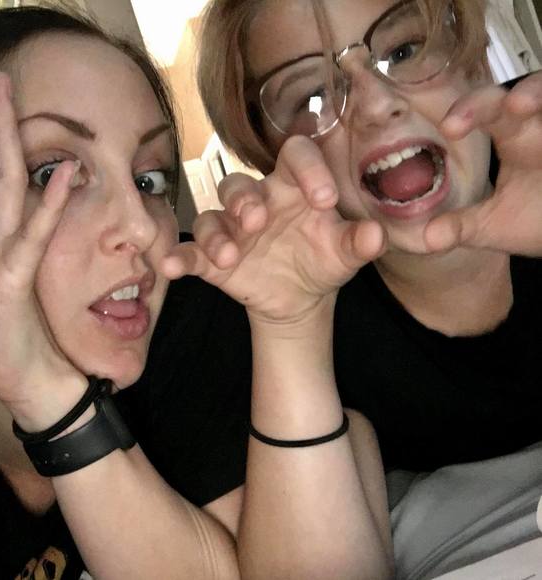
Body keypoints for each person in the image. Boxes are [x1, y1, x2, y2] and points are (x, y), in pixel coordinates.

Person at [0, 5, 393, 579]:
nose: (143, 228)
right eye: (51, 174)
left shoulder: (185, 318)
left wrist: (52, 404)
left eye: (149, 180)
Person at [193, 0, 542, 575]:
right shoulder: (300, 320)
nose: (377, 105)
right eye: (312, 96)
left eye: (403, 51)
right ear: (276, 160)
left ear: (475, 58)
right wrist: (289, 329)